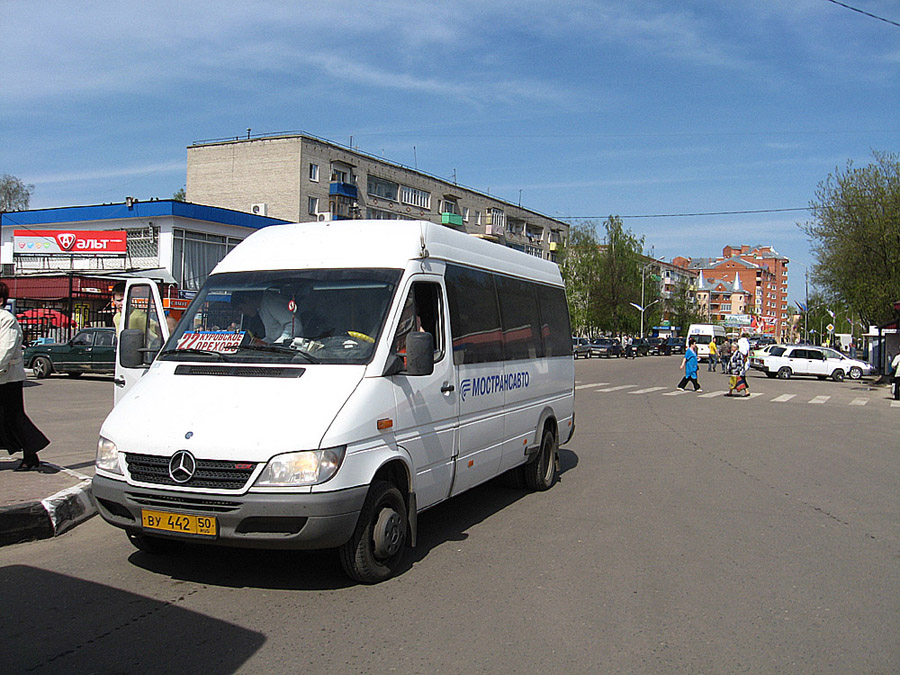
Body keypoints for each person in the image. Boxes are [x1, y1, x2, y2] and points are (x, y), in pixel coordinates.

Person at [0, 282, 50, 471]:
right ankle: (29, 454)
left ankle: (31, 454)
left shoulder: (7, 320)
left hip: (7, 378)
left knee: (14, 416)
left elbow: (5, 350)